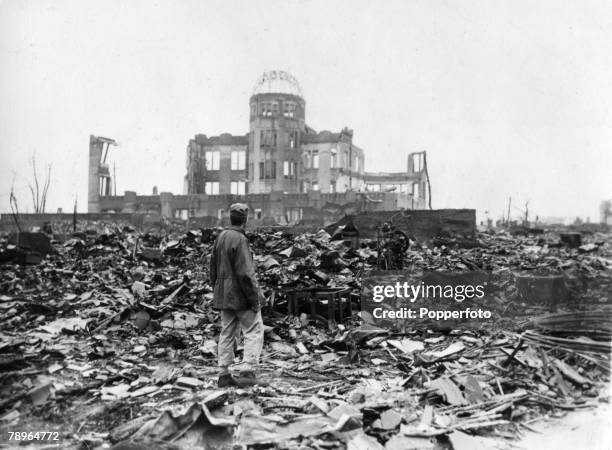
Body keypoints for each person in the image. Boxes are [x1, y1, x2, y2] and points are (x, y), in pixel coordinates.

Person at [210, 203, 264, 387]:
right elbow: (245, 273)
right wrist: (254, 298)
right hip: (240, 295)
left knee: (227, 332)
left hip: (224, 295)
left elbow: (212, 270)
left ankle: (223, 374)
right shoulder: (240, 240)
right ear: (245, 220)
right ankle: (247, 370)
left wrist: (217, 291)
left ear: (230, 218)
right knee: (254, 329)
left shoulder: (220, 237)